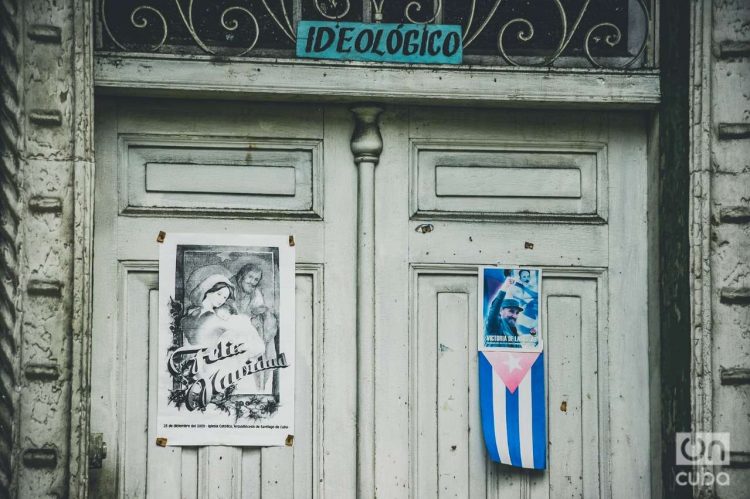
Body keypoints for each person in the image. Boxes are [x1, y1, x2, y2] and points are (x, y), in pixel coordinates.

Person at [230, 263, 278, 389]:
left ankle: (258, 384)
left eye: (256, 279)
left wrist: (258, 314)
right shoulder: (229, 287)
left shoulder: (255, 292)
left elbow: (258, 308)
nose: (252, 282)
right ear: (242, 276)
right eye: (250, 277)